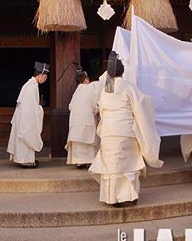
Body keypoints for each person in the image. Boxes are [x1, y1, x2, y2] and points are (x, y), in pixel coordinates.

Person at [89, 52, 163, 207]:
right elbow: (142, 105)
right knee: (128, 165)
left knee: (111, 166)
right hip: (124, 132)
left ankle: (112, 198)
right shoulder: (128, 87)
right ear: (122, 71)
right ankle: (128, 196)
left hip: (108, 132)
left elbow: (101, 111)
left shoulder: (105, 90)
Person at [7, 61, 49, 168]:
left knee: (25, 137)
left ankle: (27, 159)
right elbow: (30, 108)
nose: (45, 79)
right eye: (45, 77)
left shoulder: (31, 85)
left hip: (24, 117)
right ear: (40, 75)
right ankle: (25, 160)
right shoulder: (31, 87)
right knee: (27, 133)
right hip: (26, 119)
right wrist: (39, 109)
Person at [65, 69, 99, 168]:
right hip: (86, 120)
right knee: (87, 141)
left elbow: (70, 106)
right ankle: (89, 161)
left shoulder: (76, 92)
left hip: (75, 122)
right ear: (85, 80)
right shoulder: (90, 88)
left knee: (78, 143)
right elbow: (94, 105)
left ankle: (79, 162)